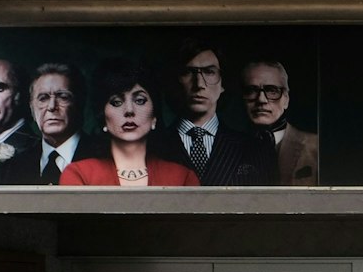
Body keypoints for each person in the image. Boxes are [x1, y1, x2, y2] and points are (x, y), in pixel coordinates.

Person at [153, 39, 278, 186]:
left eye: (209, 72)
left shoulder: (254, 147)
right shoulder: (153, 145)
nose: (199, 84)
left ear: (222, 83)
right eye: (188, 72)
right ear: (175, 81)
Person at [61, 62, 200, 187]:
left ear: (154, 117)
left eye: (139, 100)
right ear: (102, 117)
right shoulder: (79, 175)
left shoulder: (183, 178)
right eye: (116, 102)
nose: (129, 110)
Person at [242, 59, 319, 185]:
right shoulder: (228, 148)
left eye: (272, 91)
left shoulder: (315, 146)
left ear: (286, 100)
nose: (261, 99)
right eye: (251, 90)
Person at [28, 63, 98, 185]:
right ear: (32, 109)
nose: (51, 107)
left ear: (79, 104)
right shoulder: (16, 164)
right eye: (43, 98)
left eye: (63, 97)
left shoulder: (104, 157)